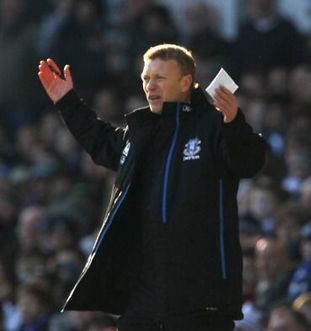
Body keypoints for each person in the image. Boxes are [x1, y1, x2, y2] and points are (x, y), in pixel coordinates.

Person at [37, 43, 267, 331]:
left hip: (200, 299)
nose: (150, 86)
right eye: (146, 78)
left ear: (186, 82)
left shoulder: (213, 124)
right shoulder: (140, 134)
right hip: (142, 297)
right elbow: (102, 143)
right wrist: (67, 102)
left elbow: (248, 162)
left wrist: (234, 122)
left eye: (159, 78)